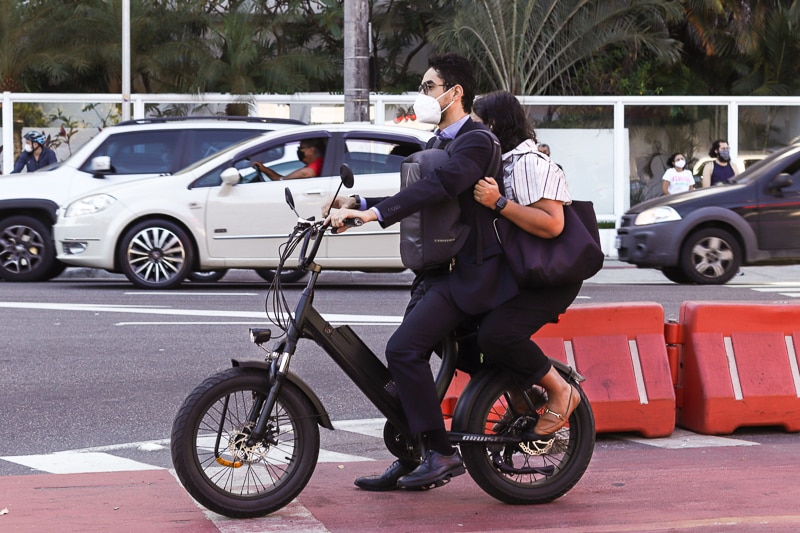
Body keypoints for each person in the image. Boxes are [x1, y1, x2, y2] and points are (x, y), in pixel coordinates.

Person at [327, 52, 512, 492]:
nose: (423, 95)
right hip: (436, 272)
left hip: (467, 273)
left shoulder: (476, 141)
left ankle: (440, 453)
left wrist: (375, 215)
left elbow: (441, 186)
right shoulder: (438, 142)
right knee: (401, 362)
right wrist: (357, 202)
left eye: (429, 87)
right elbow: (414, 188)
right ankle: (413, 453)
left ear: (455, 92)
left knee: (404, 351)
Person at [470, 90, 581, 436]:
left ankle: (562, 391)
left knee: (498, 334)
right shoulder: (502, 162)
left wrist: (499, 202)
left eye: (476, 124)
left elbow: (552, 223)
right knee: (473, 337)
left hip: (551, 275)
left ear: (493, 123)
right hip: (523, 273)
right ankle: (524, 396)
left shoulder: (530, 163)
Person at [254, 138, 325, 180]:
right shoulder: (311, 165)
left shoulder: (319, 162)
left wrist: (283, 180)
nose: (299, 151)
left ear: (311, 150)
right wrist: (265, 170)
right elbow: (281, 179)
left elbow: (306, 173)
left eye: (302, 148)